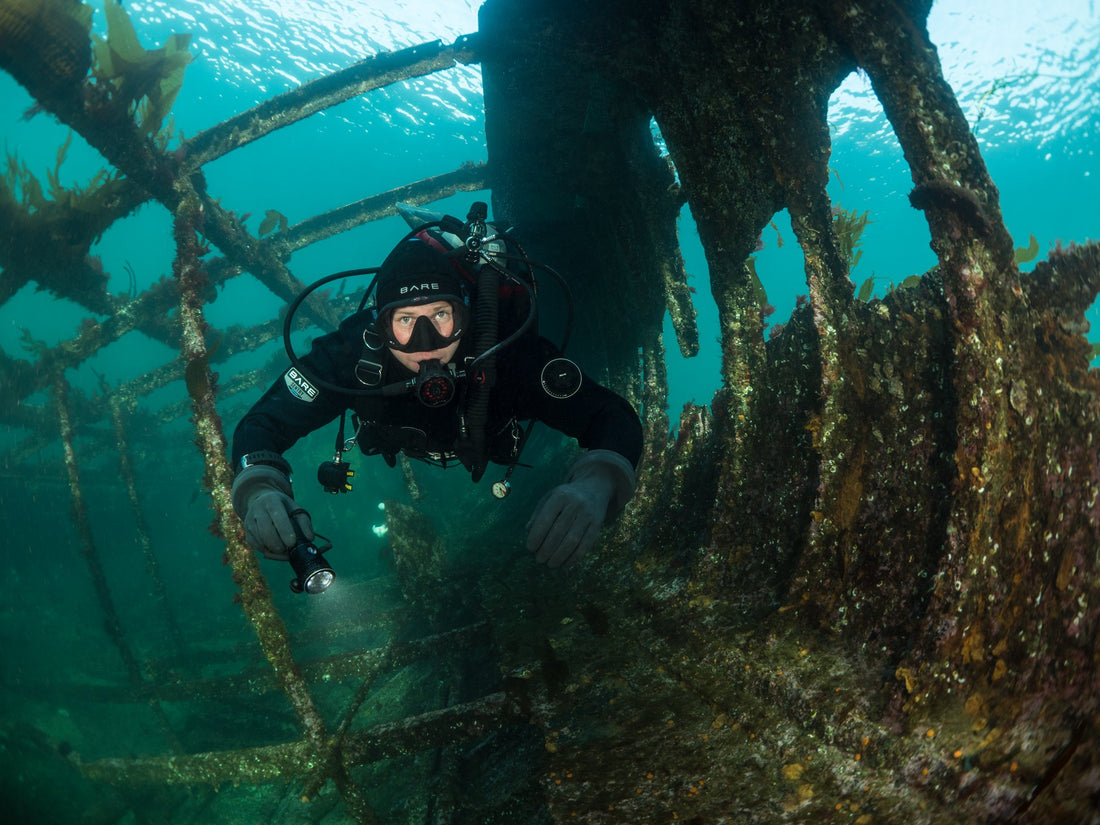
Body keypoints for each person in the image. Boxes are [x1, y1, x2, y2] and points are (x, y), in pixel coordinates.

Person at [230, 208, 643, 576]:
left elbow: (610, 416)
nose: (425, 340)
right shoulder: (351, 355)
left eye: (440, 315)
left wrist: (596, 482)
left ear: (465, 314)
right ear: (379, 326)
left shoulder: (506, 353)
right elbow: (263, 423)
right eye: (405, 320)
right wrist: (260, 489)